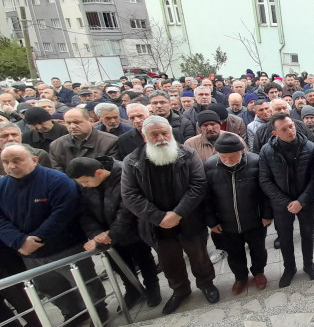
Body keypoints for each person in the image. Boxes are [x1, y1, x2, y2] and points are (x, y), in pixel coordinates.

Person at [0, 144, 108, 327]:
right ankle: (72, 313)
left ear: (34, 160)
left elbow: (63, 213)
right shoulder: (2, 186)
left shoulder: (57, 180)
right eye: (6, 162)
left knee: (84, 282)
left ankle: (98, 310)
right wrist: (19, 241)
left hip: (65, 247)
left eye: (17, 160)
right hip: (30, 253)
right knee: (50, 288)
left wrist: (37, 239)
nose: (11, 166)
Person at [121, 116, 219, 315]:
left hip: (190, 218)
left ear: (171, 133)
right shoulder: (132, 161)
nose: (161, 138)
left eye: (164, 133)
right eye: (154, 134)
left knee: (199, 256)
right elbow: (130, 195)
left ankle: (206, 284)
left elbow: (198, 185)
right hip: (157, 225)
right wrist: (159, 217)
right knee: (169, 262)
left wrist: (178, 213)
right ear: (144, 136)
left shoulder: (187, 154)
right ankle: (180, 290)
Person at [66, 156, 162, 308]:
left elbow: (127, 211)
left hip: (133, 230)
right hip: (104, 233)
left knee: (144, 259)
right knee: (118, 263)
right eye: (80, 183)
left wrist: (110, 235)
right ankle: (132, 289)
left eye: (85, 181)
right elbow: (83, 212)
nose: (84, 185)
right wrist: (97, 234)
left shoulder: (126, 174)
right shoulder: (83, 184)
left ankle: (152, 288)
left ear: (99, 173)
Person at [259, 113, 314, 287]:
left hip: (305, 202)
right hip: (281, 204)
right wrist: (286, 202)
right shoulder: (267, 151)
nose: (290, 131)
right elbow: (265, 180)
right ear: (275, 133)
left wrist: (301, 201)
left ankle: (309, 264)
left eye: (291, 126)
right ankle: (289, 268)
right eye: (284, 129)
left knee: (307, 234)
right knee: (285, 238)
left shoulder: (310, 147)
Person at [204, 133, 271, 295]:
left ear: (242, 151)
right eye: (223, 157)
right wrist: (211, 221)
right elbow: (206, 197)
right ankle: (240, 277)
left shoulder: (256, 161)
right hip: (226, 222)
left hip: (254, 220)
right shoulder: (210, 166)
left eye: (232, 157)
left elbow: (266, 192)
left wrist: (267, 215)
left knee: (258, 250)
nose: (228, 161)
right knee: (234, 253)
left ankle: (259, 272)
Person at [49, 108, 119, 171]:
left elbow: (110, 170)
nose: (72, 126)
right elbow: (57, 171)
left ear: (91, 121)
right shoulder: (56, 145)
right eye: (68, 123)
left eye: (77, 122)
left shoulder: (110, 142)